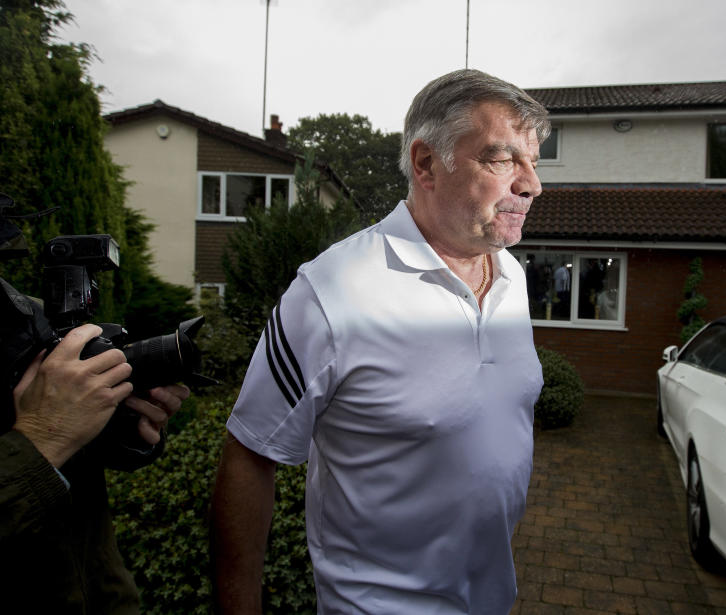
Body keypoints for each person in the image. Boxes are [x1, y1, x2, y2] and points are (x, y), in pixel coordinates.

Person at [211, 69, 549, 614]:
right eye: (503, 159)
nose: (532, 183)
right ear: (425, 163)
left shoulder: (513, 280)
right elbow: (251, 455)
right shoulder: (329, 291)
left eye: (534, 161)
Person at [0, 278, 190, 613]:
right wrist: (42, 437)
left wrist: (124, 422)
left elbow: (79, 463)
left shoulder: (25, 315)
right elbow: (43, 441)